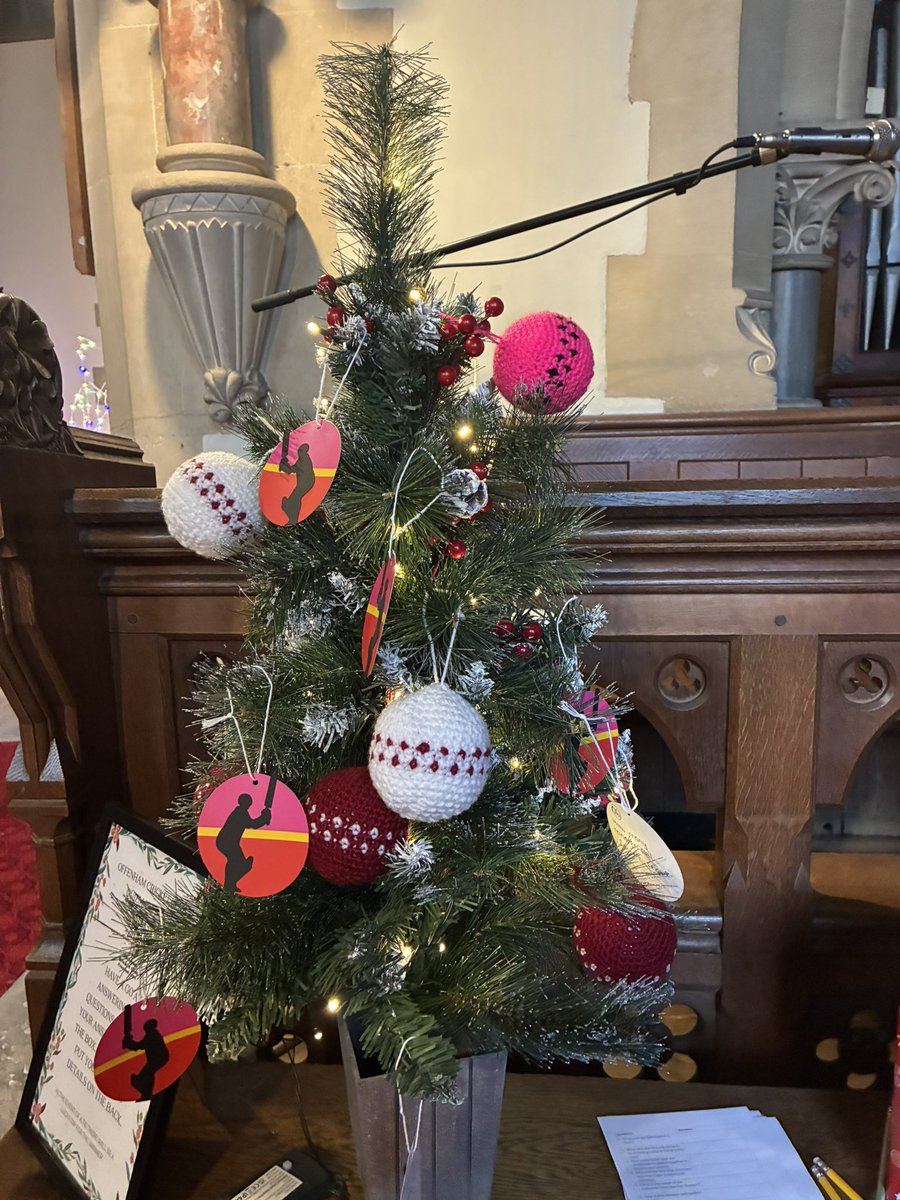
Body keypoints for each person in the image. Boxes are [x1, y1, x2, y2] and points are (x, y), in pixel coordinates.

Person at [215, 792, 272, 892]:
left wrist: (264, 817)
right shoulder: (240, 813)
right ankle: (229, 884)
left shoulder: (240, 812)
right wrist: (264, 817)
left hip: (229, 842)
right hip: (227, 842)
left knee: (240, 864)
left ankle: (230, 884)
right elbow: (253, 824)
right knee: (237, 862)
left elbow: (252, 824)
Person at [124, 1017, 169, 1100]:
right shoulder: (152, 1034)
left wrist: (129, 1042)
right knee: (147, 1073)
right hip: (158, 1059)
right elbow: (139, 1046)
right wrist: (129, 1043)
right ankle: (146, 1092)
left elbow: (139, 1046)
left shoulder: (152, 1035)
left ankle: (146, 1092)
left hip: (158, 1059)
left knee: (147, 1073)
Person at [278, 432, 316, 524]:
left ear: (305, 451)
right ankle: (291, 516)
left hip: (306, 483)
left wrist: (284, 465)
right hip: (303, 483)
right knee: (294, 498)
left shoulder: (305, 460)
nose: (299, 452)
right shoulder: (302, 459)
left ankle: (293, 518)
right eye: (299, 450)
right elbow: (293, 468)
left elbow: (293, 469)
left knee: (295, 498)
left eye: (301, 451)